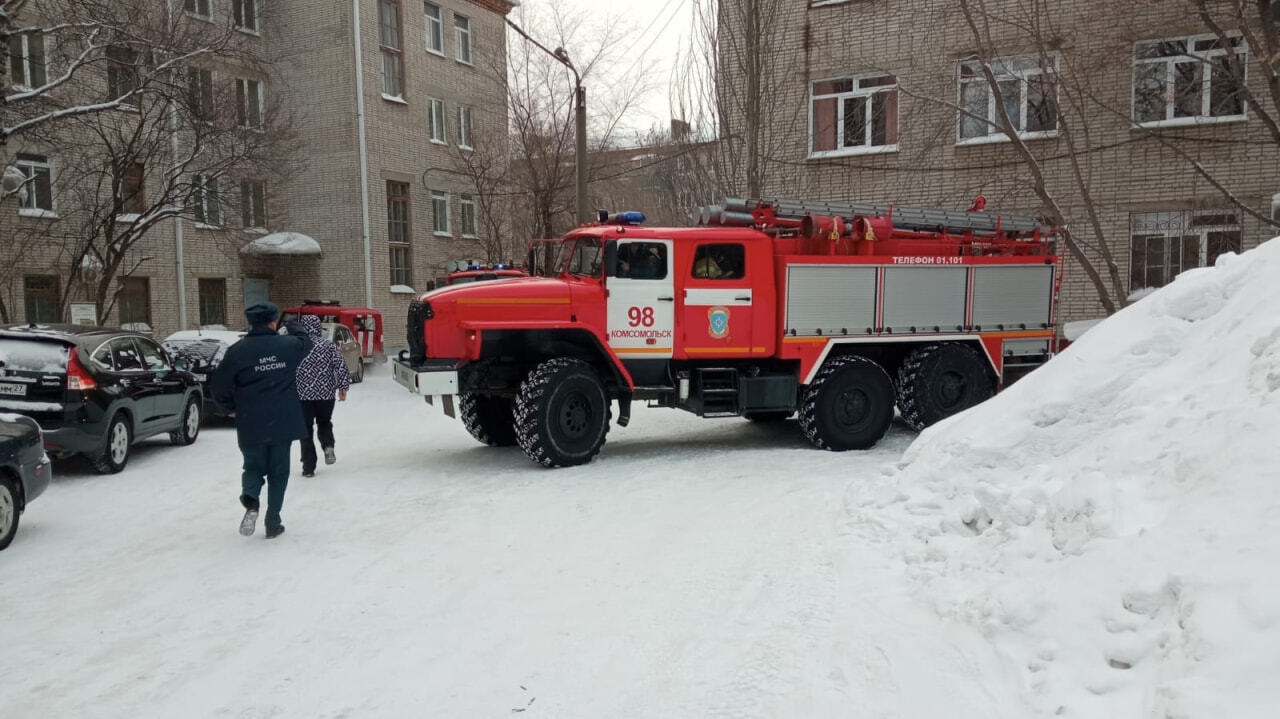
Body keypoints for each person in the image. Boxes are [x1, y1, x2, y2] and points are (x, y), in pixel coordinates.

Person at [211, 302, 311, 539]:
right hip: (282, 419)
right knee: (279, 472)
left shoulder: (237, 351)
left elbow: (218, 385)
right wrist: (294, 325)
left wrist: (229, 408)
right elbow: (306, 343)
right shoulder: (288, 346)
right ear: (273, 321)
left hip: (250, 419)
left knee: (253, 466)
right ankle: (273, 522)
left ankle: (251, 499)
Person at [294, 314, 352, 477]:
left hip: (303, 396)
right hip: (326, 395)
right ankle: (328, 446)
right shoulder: (328, 345)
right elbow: (341, 366)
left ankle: (308, 467)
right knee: (324, 422)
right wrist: (343, 387)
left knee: (305, 430)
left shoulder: (297, 346)